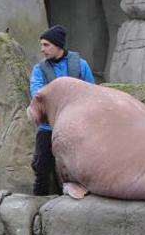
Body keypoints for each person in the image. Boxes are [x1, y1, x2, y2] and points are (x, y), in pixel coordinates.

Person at [29, 25, 95, 195]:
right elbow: (38, 94)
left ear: (58, 45)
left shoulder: (81, 65)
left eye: (46, 45)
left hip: (75, 127)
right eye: (41, 45)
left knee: (78, 168)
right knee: (42, 168)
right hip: (48, 128)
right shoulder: (39, 69)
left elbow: (91, 92)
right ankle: (36, 204)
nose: (42, 49)